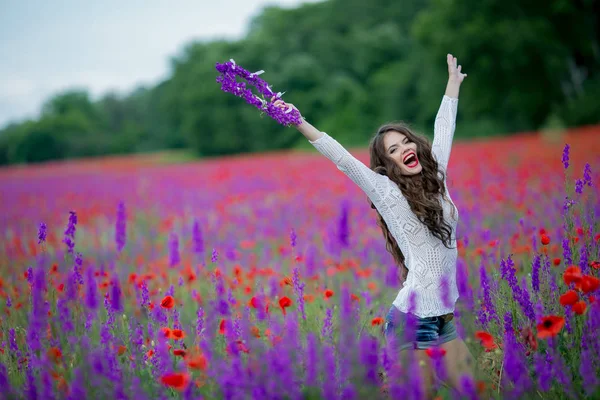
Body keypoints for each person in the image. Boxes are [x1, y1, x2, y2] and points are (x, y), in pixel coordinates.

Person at [272, 54, 475, 397]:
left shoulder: (436, 174)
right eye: (394, 149)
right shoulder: (387, 192)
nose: (405, 149)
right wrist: (298, 121)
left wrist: (452, 85)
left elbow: (444, 129)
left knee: (477, 390)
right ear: (389, 163)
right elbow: (342, 159)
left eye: (406, 141)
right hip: (413, 320)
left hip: (443, 318)